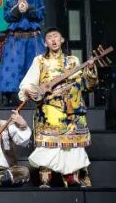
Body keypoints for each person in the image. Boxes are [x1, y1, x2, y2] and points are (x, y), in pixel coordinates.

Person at [20, 28, 98, 188]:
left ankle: (73, 178)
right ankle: (45, 180)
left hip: (72, 111)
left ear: (62, 40)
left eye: (56, 36)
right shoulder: (40, 61)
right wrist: (29, 90)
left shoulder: (73, 61)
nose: (53, 40)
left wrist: (89, 69)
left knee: (73, 149)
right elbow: (28, 83)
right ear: (45, 43)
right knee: (48, 147)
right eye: (49, 37)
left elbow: (87, 85)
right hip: (50, 111)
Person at [0, 0, 45, 105]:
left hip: (33, 39)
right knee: (11, 69)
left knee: (35, 68)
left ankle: (38, 98)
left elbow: (41, 14)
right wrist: (17, 8)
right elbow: (7, 17)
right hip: (15, 40)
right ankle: (11, 99)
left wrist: (29, 8)